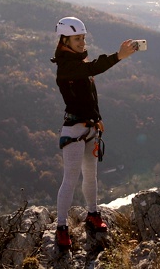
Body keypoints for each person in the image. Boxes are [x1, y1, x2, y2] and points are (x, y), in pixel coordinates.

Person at [50, 16, 138, 249]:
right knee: (70, 179)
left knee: (90, 176)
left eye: (83, 37)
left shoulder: (77, 61)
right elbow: (92, 69)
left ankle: (93, 213)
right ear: (64, 40)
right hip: (74, 130)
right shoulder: (67, 67)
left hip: (88, 127)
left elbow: (89, 95)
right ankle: (61, 227)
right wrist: (118, 56)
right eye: (77, 38)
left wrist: (97, 118)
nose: (81, 42)